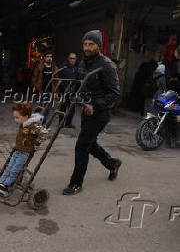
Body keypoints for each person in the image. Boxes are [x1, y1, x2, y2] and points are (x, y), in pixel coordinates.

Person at [63, 30, 122, 196]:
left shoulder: (107, 65)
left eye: (91, 44)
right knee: (90, 144)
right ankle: (113, 164)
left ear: (98, 46)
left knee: (82, 146)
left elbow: (114, 93)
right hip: (86, 110)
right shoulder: (83, 63)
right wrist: (71, 94)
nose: (87, 47)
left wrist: (94, 106)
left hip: (100, 113)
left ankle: (75, 183)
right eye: (85, 44)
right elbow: (80, 84)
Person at [0, 103, 49, 196]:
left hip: (24, 153)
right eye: (14, 117)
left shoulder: (33, 125)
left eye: (17, 117)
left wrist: (37, 143)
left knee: (15, 170)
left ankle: (6, 186)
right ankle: (1, 183)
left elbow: (44, 133)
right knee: (9, 167)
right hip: (18, 150)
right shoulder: (24, 123)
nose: (15, 120)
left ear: (26, 117)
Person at [31, 52, 58, 125]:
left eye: (51, 57)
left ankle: (43, 124)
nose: (49, 58)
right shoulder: (40, 67)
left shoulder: (54, 68)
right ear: (45, 58)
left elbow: (56, 81)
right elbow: (34, 77)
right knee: (39, 107)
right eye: (48, 56)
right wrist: (36, 87)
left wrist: (55, 92)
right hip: (41, 91)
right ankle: (34, 123)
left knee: (48, 109)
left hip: (50, 92)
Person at [58, 53, 79, 128]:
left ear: (76, 59)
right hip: (64, 91)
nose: (72, 60)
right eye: (71, 58)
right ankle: (61, 123)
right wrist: (61, 91)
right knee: (63, 108)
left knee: (72, 108)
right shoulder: (63, 67)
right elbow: (59, 79)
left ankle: (68, 123)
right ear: (68, 58)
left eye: (74, 58)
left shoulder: (77, 67)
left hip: (73, 92)